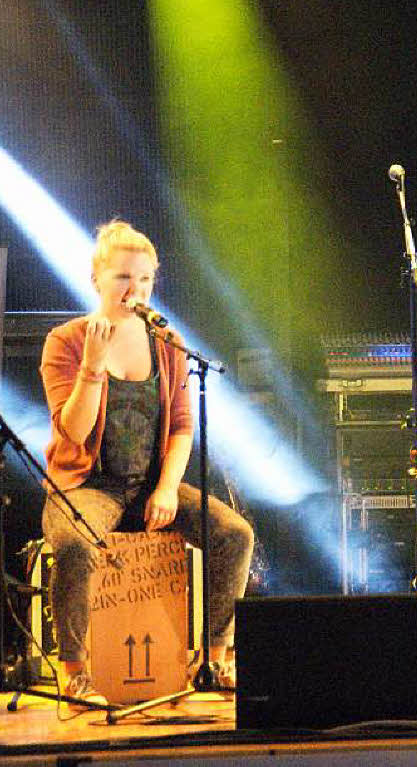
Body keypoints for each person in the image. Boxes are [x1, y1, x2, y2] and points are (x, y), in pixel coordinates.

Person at [40, 220, 254, 706]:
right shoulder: (67, 341)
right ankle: (74, 670)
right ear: (97, 279)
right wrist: (94, 365)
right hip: (86, 486)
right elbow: (72, 431)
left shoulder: (166, 342)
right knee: (75, 545)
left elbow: (181, 427)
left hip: (150, 484)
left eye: (144, 280)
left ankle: (217, 658)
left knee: (234, 534)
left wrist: (165, 489)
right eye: (122, 278)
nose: (134, 289)